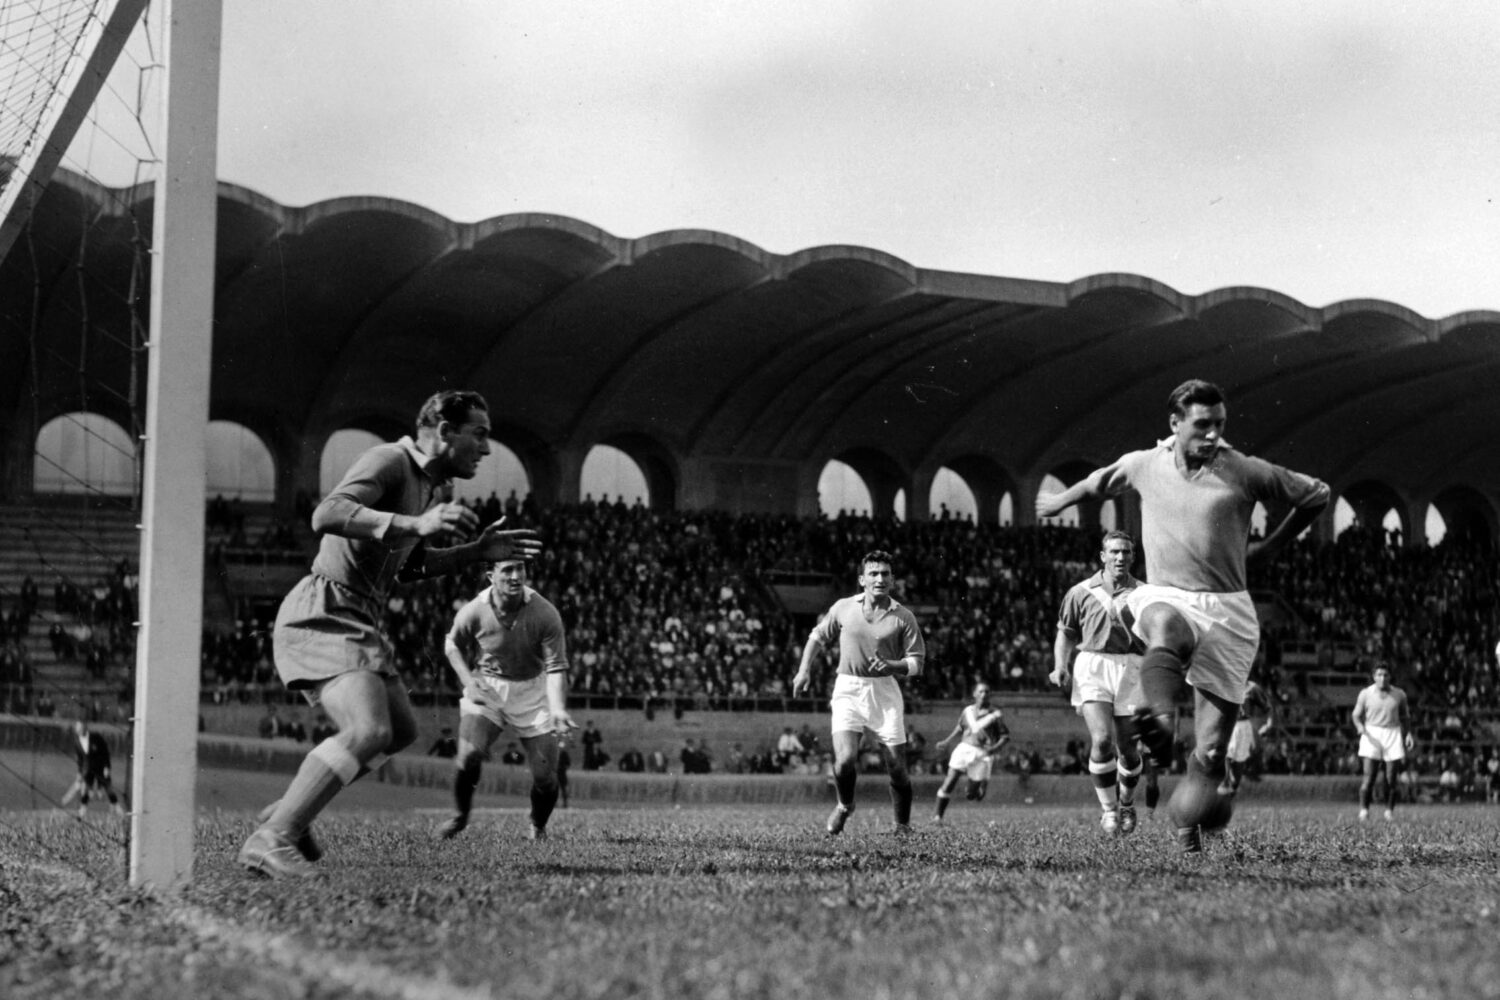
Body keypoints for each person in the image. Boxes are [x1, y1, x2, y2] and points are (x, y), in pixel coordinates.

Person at [237, 389, 543, 879]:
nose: (486, 449)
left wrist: (475, 552)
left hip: (361, 614)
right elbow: (327, 513)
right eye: (480, 435)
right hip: (325, 607)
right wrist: (414, 521)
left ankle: (290, 810)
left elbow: (409, 565)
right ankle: (271, 839)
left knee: (400, 730)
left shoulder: (435, 489)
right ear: (444, 431)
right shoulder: (389, 460)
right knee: (370, 730)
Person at [1036, 379, 1329, 853]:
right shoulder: (1143, 464)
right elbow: (1098, 482)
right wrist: (1059, 501)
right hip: (1166, 595)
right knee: (1162, 625)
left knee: (1212, 754)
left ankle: (1188, 834)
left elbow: (1316, 494)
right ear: (1175, 424)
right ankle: (1161, 719)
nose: (1212, 434)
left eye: (1220, 425)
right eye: (1202, 425)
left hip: (1229, 612)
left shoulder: (1245, 470)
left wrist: (1272, 546)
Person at [437, 556, 575, 841]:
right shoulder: (474, 611)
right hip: (489, 685)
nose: (515, 576)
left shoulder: (544, 612)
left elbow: (556, 667)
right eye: (507, 570)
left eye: (520, 569)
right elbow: (452, 645)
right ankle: (461, 817)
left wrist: (558, 709)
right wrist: (468, 683)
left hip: (533, 691)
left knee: (546, 778)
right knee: (469, 755)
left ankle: (537, 825)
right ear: (490, 576)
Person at [792, 550, 925, 836]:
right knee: (845, 759)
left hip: (884, 692)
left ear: (893, 580)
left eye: (885, 574)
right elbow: (816, 637)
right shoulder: (843, 607)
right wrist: (804, 671)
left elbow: (917, 663)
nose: (880, 578)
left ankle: (902, 827)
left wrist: (891, 664)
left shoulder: (903, 616)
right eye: (874, 573)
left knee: (897, 768)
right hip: (848, 688)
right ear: (862, 579)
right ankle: (844, 805)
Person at [1049, 530, 1148, 834]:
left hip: (1133, 667)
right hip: (1093, 664)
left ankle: (1127, 803)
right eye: (1115, 552)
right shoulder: (1080, 591)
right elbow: (1065, 633)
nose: (1121, 557)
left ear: (1133, 557)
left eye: (1126, 552)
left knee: (1129, 748)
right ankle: (1109, 811)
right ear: (1103, 556)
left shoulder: (1146, 593)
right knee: (1102, 740)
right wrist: (1059, 666)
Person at [932, 681, 1010, 823]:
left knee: (971, 795)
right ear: (974, 694)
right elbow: (960, 728)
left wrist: (993, 749)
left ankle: (981, 785)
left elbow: (1005, 737)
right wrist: (946, 741)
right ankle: (938, 817)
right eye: (981, 691)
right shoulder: (967, 711)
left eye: (987, 692)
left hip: (982, 754)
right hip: (964, 749)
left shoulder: (995, 714)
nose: (984, 694)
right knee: (950, 781)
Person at [1352, 664, 1413, 821]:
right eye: (1379, 674)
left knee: (1391, 777)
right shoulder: (1366, 693)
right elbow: (1356, 715)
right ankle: (1364, 810)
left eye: (1385, 675)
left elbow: (1405, 717)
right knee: (1369, 776)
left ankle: (1389, 811)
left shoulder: (1399, 694)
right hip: (1372, 732)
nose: (1382, 678)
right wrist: (1359, 727)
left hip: (1392, 733)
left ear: (1390, 677)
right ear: (1374, 676)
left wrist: (1408, 734)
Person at [1219, 670, 1274, 797]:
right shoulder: (1224, 686)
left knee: (1239, 759)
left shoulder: (1251, 687)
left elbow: (1267, 706)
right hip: (1228, 724)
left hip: (1243, 725)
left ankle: (1233, 786)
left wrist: (1269, 722)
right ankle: (1226, 782)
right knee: (1226, 754)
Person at [60, 719, 123, 817]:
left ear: (85, 728)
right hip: (87, 770)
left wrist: (107, 767)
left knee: (108, 788)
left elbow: (105, 752)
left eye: (80, 728)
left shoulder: (96, 737)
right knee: (85, 789)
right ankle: (82, 810)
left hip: (100, 768)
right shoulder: (77, 742)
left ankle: (117, 807)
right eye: (77, 728)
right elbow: (80, 759)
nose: (78, 730)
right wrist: (80, 772)